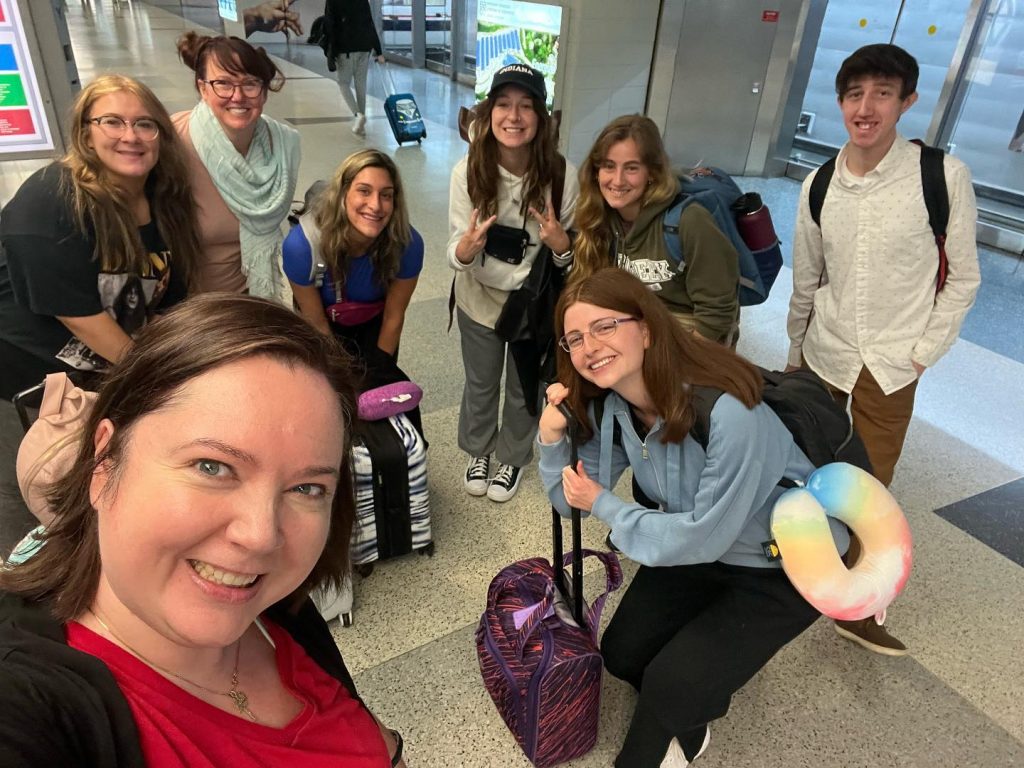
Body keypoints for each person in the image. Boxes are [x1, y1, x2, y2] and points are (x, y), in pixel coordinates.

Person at [0, 293, 406, 767]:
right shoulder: (30, 706)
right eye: (213, 466)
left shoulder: (271, 611)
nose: (261, 536)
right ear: (105, 462)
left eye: (307, 488)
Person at [538, 268, 843, 768]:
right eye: (574, 338)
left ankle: (679, 712)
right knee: (622, 653)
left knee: (669, 685)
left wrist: (608, 504)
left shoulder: (729, 413)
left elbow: (700, 536)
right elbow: (571, 500)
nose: (588, 347)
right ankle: (691, 705)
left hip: (783, 567)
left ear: (648, 329)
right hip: (697, 546)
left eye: (604, 327)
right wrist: (552, 437)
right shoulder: (618, 407)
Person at [785, 43, 980, 655]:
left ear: (907, 102)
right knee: (808, 472)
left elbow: (963, 278)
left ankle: (860, 608)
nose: (865, 108)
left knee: (872, 490)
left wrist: (922, 352)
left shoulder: (940, 176)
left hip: (891, 366)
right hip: (824, 354)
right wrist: (794, 353)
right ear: (841, 101)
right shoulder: (820, 185)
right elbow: (807, 278)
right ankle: (796, 575)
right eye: (854, 94)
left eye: (882, 94)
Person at [0, 74, 199, 401]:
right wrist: (154, 376)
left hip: (106, 366)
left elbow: (170, 299)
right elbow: (80, 318)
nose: (131, 136)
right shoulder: (50, 202)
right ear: (86, 136)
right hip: (28, 376)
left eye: (145, 124)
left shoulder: (165, 197)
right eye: (112, 122)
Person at [448, 63, 578, 503]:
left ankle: (512, 457)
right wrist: (467, 248)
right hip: (479, 298)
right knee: (481, 382)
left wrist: (560, 245)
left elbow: (570, 262)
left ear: (541, 118)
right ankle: (480, 450)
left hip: (533, 304)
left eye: (526, 106)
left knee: (525, 385)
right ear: (489, 112)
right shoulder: (467, 170)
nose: (513, 116)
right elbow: (456, 253)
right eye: (503, 104)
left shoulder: (562, 175)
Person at [571, 115, 740, 346]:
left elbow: (717, 312)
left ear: (651, 172)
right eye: (609, 166)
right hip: (633, 325)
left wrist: (684, 364)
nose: (617, 180)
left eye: (631, 168)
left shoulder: (690, 220)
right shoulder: (600, 218)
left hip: (689, 333)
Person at [174, 31, 300, 300]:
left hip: (254, 302)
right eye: (223, 83)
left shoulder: (284, 144)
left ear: (264, 92)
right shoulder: (174, 142)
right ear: (203, 89)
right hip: (190, 309)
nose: (238, 96)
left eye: (250, 84)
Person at [283, 149, 423, 380]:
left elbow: (394, 315)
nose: (376, 205)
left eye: (386, 195)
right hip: (323, 325)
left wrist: (378, 372)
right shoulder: (302, 247)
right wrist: (341, 378)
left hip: (376, 324)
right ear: (342, 194)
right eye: (364, 191)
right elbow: (316, 322)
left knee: (376, 389)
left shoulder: (407, 244)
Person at [324, 0, 385, 136]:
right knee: (360, 84)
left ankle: (358, 116)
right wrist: (378, 51)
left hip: (345, 48)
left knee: (343, 83)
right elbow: (370, 23)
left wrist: (331, 52)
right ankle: (361, 125)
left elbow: (330, 26)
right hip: (364, 47)